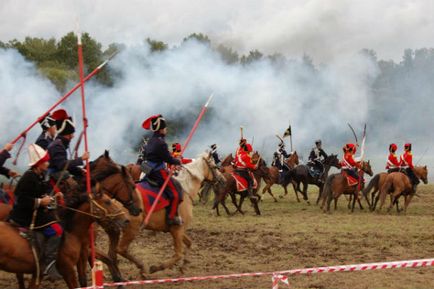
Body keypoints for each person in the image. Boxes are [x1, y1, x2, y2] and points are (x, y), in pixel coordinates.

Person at [9, 144, 63, 281]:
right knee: (57, 230)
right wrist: (39, 202)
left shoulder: (40, 175)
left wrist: (52, 198)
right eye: (45, 161)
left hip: (36, 211)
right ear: (39, 164)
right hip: (25, 214)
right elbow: (21, 199)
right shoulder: (29, 177)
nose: (48, 163)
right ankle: (48, 264)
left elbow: (42, 194)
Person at [141, 114, 183, 226]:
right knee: (175, 193)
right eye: (165, 128)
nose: (166, 129)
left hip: (148, 170)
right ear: (160, 129)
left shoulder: (150, 141)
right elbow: (167, 158)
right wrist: (177, 161)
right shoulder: (161, 143)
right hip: (158, 171)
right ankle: (171, 217)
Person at [47, 109, 89, 179]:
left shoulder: (60, 144)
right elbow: (62, 165)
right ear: (67, 134)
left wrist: (80, 171)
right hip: (53, 178)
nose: (73, 136)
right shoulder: (57, 145)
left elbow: (65, 164)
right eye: (72, 133)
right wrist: (81, 159)